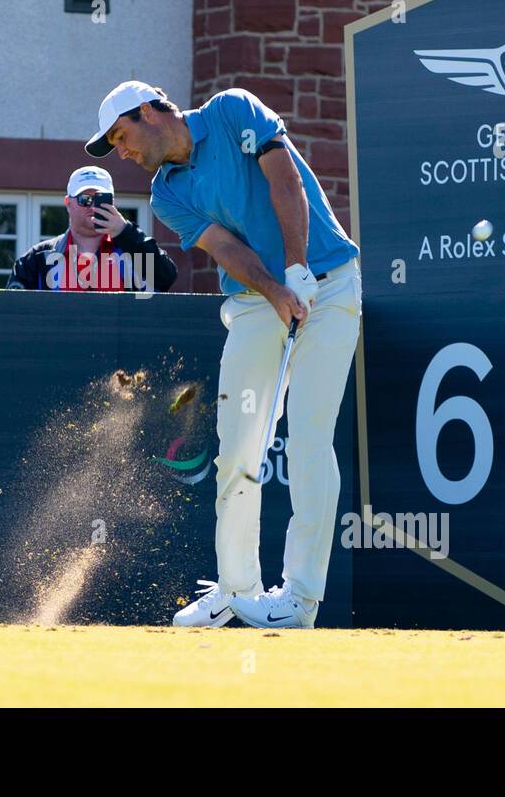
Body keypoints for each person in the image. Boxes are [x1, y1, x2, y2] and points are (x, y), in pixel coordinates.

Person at [86, 80, 361, 629]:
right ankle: (238, 591)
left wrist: (298, 269)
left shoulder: (232, 109)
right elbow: (226, 249)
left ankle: (299, 600)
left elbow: (284, 179)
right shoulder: (166, 194)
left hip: (327, 286)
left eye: (122, 136)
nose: (124, 153)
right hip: (258, 300)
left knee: (308, 438)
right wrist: (278, 290)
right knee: (238, 446)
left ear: (149, 112)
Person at [7, 165, 176, 293]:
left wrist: (125, 231)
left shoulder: (131, 251)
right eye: (85, 199)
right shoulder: (38, 258)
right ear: (68, 203)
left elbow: (166, 277)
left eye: (100, 199)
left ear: (113, 203)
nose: (92, 206)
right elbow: (13, 312)